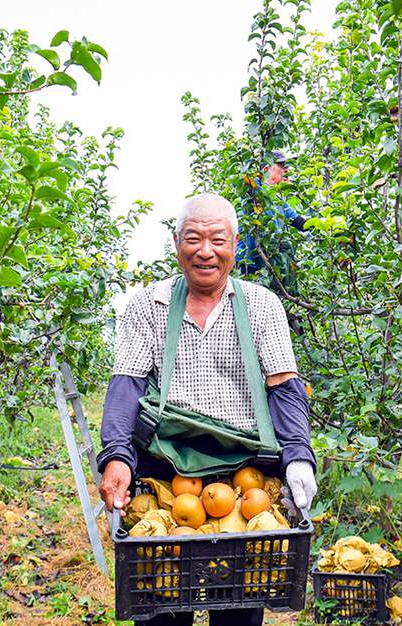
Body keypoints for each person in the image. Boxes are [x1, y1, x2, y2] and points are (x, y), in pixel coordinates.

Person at [97, 193, 317, 626]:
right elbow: (127, 383)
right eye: (193, 239)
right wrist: (117, 455)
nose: (205, 251)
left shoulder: (261, 305)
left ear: (234, 244)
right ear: (177, 242)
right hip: (167, 474)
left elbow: (283, 387)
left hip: (244, 476)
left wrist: (298, 457)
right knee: (161, 603)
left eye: (217, 239)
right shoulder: (148, 305)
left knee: (239, 605)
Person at [235, 151, 308, 277]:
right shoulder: (254, 188)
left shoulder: (280, 201)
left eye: (287, 167)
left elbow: (298, 221)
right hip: (248, 263)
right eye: (282, 166)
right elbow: (244, 182)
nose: (287, 170)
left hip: (268, 262)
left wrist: (325, 227)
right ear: (266, 169)